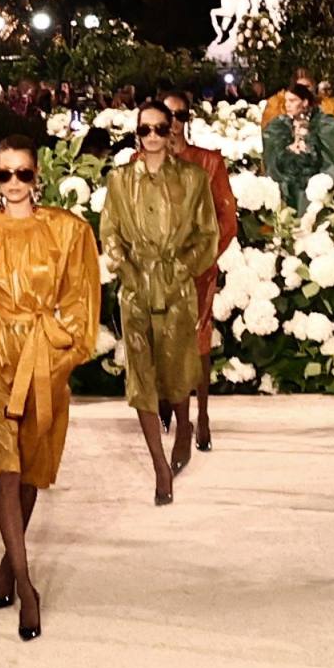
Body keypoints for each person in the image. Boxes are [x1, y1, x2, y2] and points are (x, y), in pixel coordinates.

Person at [0, 134, 99, 641]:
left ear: (38, 176)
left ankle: (7, 568)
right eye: (3, 174)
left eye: (23, 174)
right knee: (4, 468)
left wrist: (63, 349)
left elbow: (83, 298)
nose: (12, 184)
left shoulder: (68, 232)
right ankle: (28, 585)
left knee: (31, 466)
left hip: (42, 355)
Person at [99, 101, 223, 502]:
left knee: (178, 368)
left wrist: (183, 269)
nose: (151, 136)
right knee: (141, 379)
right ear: (136, 133)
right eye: (144, 130)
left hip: (176, 287)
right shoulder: (119, 180)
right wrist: (126, 268)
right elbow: (110, 232)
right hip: (136, 290)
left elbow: (208, 234)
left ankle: (184, 427)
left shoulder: (192, 178)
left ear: (171, 131)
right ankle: (159, 467)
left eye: (158, 128)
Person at [160, 86, 241, 452]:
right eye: (166, 117)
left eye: (179, 116)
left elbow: (227, 217)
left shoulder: (208, 162)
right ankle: (171, 404)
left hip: (198, 266)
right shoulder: (138, 163)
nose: (172, 124)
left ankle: (201, 415)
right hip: (157, 269)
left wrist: (206, 254)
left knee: (198, 339)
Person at [261, 78, 334, 220]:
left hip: (314, 185)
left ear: (305, 102)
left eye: (293, 100)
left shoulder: (324, 123)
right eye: (286, 101)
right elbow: (272, 155)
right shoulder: (280, 124)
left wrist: (309, 147)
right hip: (287, 183)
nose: (288, 105)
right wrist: (287, 150)